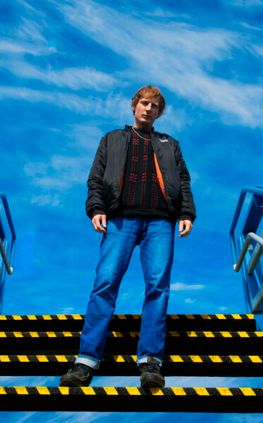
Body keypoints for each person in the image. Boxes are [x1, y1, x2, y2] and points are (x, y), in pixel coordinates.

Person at [60, 85, 196, 388]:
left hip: (160, 222)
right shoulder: (112, 139)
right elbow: (96, 178)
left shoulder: (169, 144)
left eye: (154, 106)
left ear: (159, 112)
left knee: (158, 287)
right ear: (134, 106)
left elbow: (183, 180)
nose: (148, 108)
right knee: (105, 283)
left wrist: (186, 213)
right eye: (144, 103)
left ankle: (150, 361)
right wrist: (96, 208)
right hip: (120, 219)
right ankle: (86, 361)